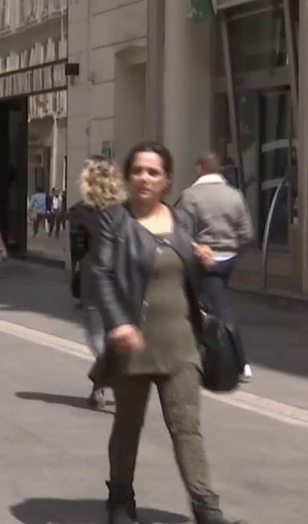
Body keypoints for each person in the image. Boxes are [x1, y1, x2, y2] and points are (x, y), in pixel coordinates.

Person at [91, 142, 244, 524]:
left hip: (181, 344)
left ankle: (207, 509)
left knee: (187, 429)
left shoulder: (182, 222)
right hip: (134, 345)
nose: (144, 177)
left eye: (153, 172)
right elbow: (101, 275)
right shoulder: (115, 221)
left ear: (167, 180)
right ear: (128, 176)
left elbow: (191, 273)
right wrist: (119, 324)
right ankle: (120, 502)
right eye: (138, 170)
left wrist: (205, 262)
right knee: (128, 426)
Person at [176, 151, 255, 383]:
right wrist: (232, 254)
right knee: (209, 305)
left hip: (203, 259)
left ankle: (240, 361)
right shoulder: (235, 195)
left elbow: (182, 231)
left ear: (200, 168)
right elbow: (247, 233)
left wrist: (198, 250)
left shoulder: (190, 196)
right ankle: (204, 355)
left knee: (219, 310)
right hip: (228, 258)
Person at [69, 156, 126, 409]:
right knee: (116, 332)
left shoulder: (80, 211)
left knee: (96, 334)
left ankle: (105, 378)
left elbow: (76, 248)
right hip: (124, 275)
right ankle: (100, 385)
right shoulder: (126, 209)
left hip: (94, 274)